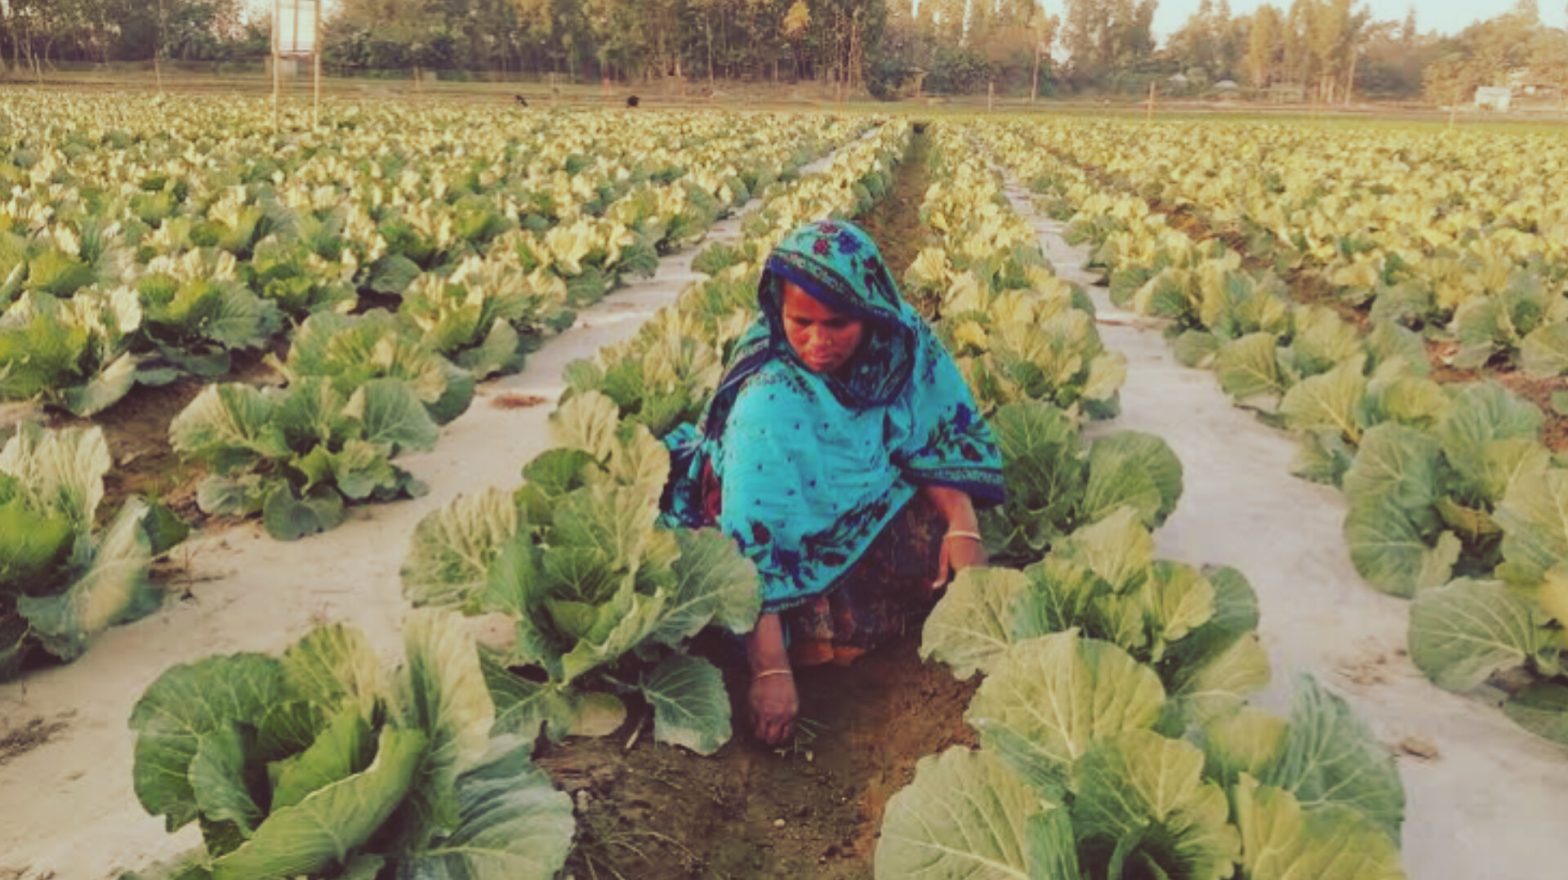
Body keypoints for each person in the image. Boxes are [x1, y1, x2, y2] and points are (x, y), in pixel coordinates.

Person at [663, 220, 1004, 746]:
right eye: (801, 321)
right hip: (771, 541)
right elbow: (751, 538)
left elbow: (933, 438)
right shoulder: (767, 397)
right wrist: (771, 670)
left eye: (838, 324)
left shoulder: (901, 343)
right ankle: (799, 643)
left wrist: (963, 524)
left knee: (937, 542)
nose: (817, 342)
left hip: (858, 503)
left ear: (870, 314)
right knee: (790, 617)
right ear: (779, 310)